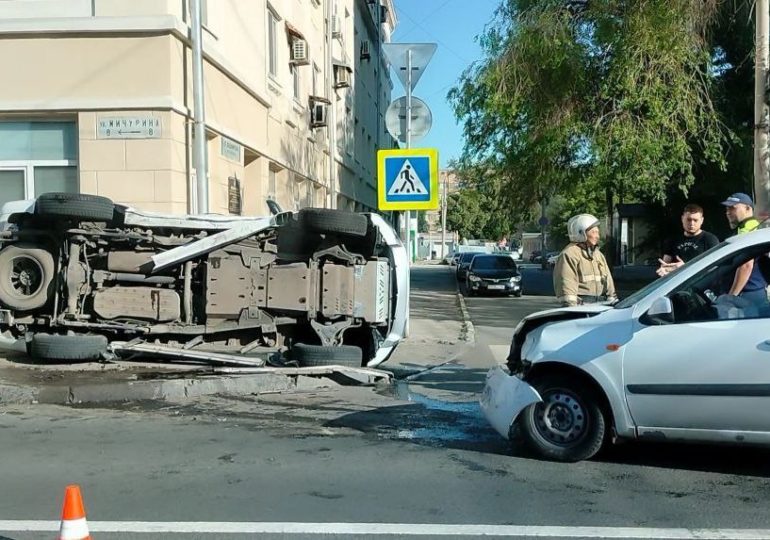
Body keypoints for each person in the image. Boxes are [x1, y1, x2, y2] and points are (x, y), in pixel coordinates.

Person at [553, 214, 617, 306]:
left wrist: (612, 300)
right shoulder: (569, 254)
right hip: (581, 309)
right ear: (581, 233)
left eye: (598, 232)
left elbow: (609, 283)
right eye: (594, 232)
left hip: (601, 308)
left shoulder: (598, 255)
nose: (597, 236)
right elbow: (567, 287)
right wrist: (572, 309)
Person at [721, 192, 768, 309]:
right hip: (752, 292)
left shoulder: (749, 229)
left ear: (748, 208)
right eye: (727, 209)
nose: (728, 212)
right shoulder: (746, 227)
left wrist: (731, 297)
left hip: (749, 294)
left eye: (733, 208)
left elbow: (746, 265)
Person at [656, 203, 719, 277]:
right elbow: (665, 264)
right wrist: (664, 272)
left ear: (702, 220)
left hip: (700, 284)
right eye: (688, 220)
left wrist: (684, 267)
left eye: (695, 220)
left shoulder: (710, 240)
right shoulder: (672, 240)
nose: (692, 223)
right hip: (676, 284)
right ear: (682, 219)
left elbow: (715, 267)